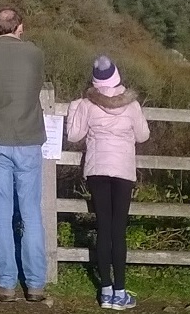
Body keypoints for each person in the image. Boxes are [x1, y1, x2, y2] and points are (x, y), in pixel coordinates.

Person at [0, 7, 47, 302]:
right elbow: (36, 85)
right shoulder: (35, 54)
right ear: (21, 27)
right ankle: (36, 284)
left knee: (0, 215)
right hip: (28, 138)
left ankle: (5, 283)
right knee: (30, 213)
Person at [66, 55, 150, 310]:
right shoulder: (132, 105)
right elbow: (143, 136)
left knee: (103, 228)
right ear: (117, 76)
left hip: (97, 169)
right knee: (118, 229)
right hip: (123, 170)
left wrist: (74, 108)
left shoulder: (86, 104)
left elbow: (74, 135)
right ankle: (120, 291)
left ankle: (105, 290)